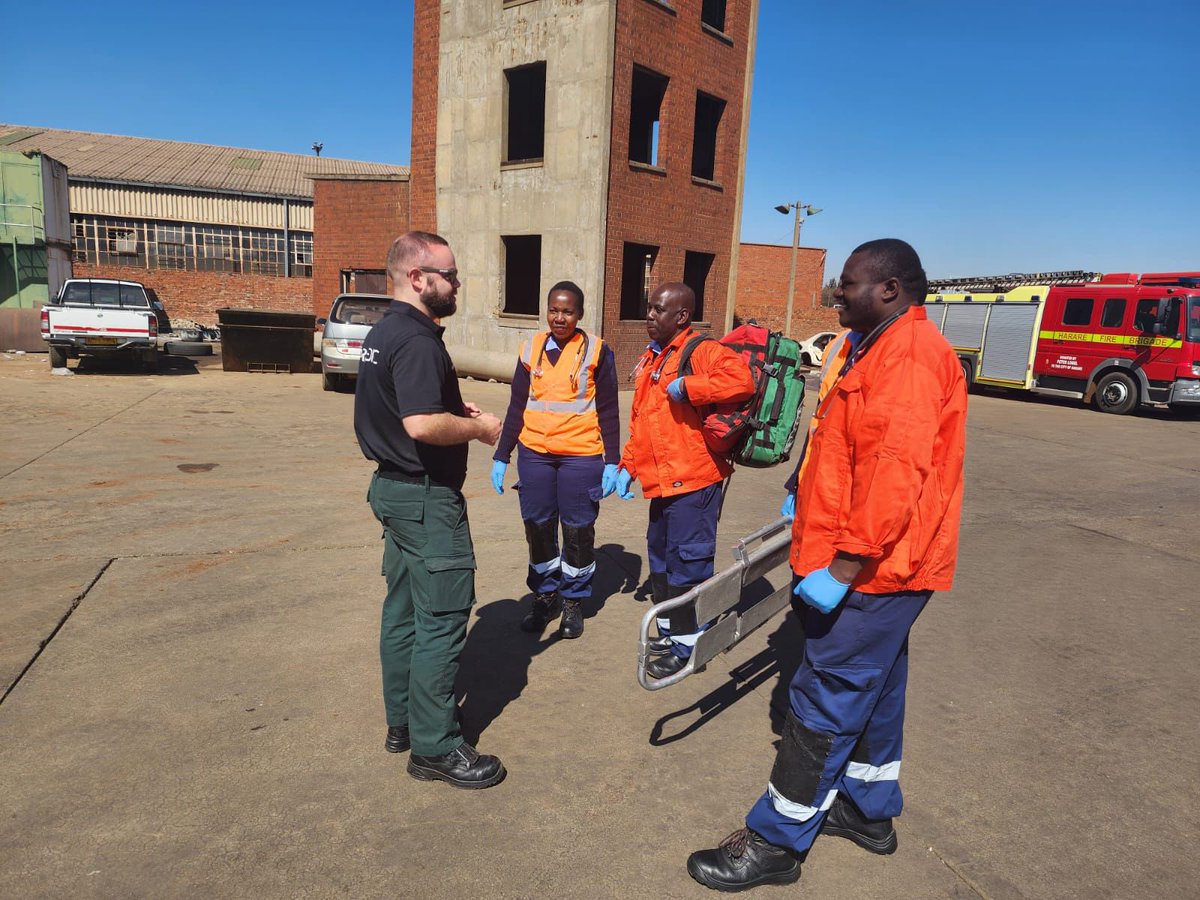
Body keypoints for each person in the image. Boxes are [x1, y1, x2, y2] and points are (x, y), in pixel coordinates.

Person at [687, 239, 967, 891]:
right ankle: (868, 811)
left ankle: (777, 840)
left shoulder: (911, 360)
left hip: (876, 570)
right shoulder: (873, 345)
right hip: (879, 565)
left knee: (823, 696)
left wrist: (841, 570)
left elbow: (893, 479)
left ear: (891, 289)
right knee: (876, 685)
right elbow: (843, 448)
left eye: (849, 284)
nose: (836, 294)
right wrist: (799, 498)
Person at [354, 230, 507, 790]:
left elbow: (404, 406)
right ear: (418, 278)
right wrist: (480, 427)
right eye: (450, 273)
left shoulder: (385, 330)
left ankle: (404, 723)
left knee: (403, 612)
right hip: (423, 500)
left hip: (393, 492)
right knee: (440, 618)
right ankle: (435, 747)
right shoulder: (417, 339)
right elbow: (420, 426)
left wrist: (449, 406)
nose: (457, 282)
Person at [616, 282, 755, 679]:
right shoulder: (651, 357)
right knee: (659, 557)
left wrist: (690, 386)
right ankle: (671, 629)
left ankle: (690, 644)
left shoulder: (702, 350)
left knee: (688, 562)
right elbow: (642, 420)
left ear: (682, 316)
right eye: (648, 308)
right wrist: (628, 465)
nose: (649, 316)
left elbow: (741, 381)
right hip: (662, 482)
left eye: (659, 310)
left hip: (695, 482)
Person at [490, 281, 621, 639]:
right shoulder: (530, 348)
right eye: (553, 310)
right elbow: (517, 404)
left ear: (579, 314)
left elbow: (609, 409)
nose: (559, 317)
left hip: (581, 456)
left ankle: (573, 601)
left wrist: (613, 460)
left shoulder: (596, 351)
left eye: (567, 311)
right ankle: (545, 596)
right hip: (535, 454)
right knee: (538, 526)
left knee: (578, 530)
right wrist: (503, 454)